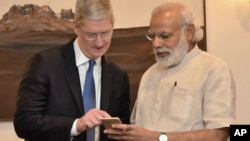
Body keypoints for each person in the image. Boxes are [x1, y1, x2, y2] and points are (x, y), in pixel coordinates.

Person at [104, 2, 236, 141]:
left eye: (164, 36)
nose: (156, 44)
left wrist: (158, 138)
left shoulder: (214, 70)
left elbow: (218, 135)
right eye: (152, 36)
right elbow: (137, 128)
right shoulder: (149, 74)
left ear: (189, 32)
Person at [13, 0, 130, 141]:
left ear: (113, 24)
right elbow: (24, 123)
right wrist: (76, 125)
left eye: (105, 33)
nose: (99, 43)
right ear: (76, 28)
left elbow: (121, 131)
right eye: (91, 35)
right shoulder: (45, 64)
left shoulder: (119, 76)